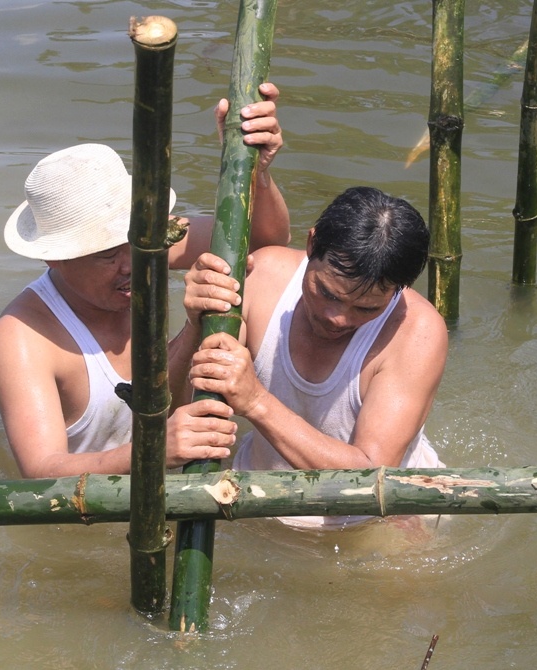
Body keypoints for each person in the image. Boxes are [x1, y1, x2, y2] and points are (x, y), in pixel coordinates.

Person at [0, 83, 290, 479]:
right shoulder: (22, 338)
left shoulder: (149, 246)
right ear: (55, 257)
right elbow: (42, 471)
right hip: (94, 505)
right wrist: (153, 450)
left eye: (135, 242)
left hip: (168, 447)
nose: (133, 264)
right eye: (107, 255)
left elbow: (265, 241)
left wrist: (255, 171)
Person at [182, 186, 447, 528]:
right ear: (311, 245)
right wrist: (193, 325)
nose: (338, 318)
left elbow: (369, 479)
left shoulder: (417, 332)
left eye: (367, 308)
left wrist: (256, 401)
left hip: (367, 520)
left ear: (398, 291)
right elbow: (178, 408)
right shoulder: (263, 277)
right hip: (248, 498)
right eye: (326, 293)